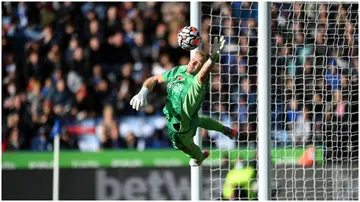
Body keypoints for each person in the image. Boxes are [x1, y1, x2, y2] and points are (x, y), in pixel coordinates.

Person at [130, 37, 236, 166]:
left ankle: (199, 156)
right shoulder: (180, 70)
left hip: (180, 127)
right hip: (189, 117)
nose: (192, 64)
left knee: (182, 145)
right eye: (192, 60)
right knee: (198, 120)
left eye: (197, 63)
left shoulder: (198, 82)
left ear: (202, 67)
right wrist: (142, 93)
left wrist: (212, 59)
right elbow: (155, 79)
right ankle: (225, 129)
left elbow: (203, 74)